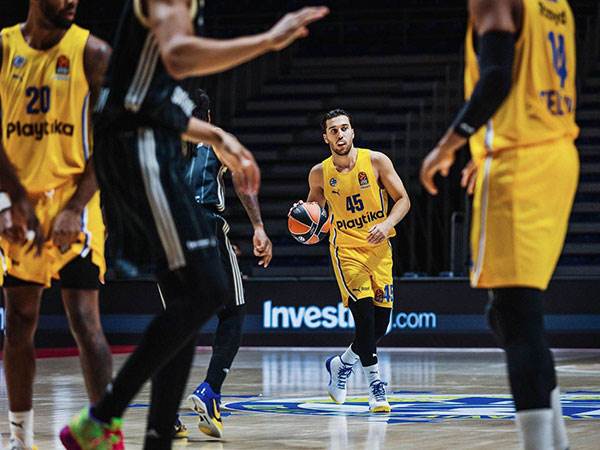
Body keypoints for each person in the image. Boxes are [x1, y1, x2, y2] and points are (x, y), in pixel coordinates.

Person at [59, 1, 327, 449]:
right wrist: (267, 41)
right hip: (137, 148)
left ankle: (156, 435)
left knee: (190, 300)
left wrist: (217, 135)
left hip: (142, 143)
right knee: (209, 290)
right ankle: (102, 416)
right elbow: (178, 55)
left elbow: (156, 101)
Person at [420, 0, 578, 448]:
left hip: (519, 164)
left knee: (516, 315)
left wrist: (448, 146)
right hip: (556, 154)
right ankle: (558, 442)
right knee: (510, 315)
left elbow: (495, 79)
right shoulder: (557, 6)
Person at [0, 0, 114, 448]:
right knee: (20, 318)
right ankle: (20, 438)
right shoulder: (5, 49)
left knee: (84, 318)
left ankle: (105, 432)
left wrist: (75, 206)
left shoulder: (93, 52)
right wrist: (9, 200)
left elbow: (112, 142)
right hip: (19, 198)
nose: (72, 0)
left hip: (75, 197)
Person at [299, 109, 410, 413]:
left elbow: (403, 199)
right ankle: (375, 387)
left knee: (380, 325)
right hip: (346, 250)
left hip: (379, 249)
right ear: (326, 137)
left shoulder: (376, 161)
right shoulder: (319, 173)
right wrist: (303, 214)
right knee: (364, 318)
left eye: (344, 128)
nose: (340, 134)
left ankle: (342, 364)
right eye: (333, 130)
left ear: (352, 132)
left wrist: (387, 225)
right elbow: (314, 213)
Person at [177, 89, 272, 439]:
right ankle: (211, 390)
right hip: (204, 223)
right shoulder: (214, 139)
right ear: (208, 117)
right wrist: (258, 227)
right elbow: (242, 180)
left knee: (175, 324)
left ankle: (166, 412)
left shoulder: (160, 142)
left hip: (166, 229)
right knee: (234, 311)